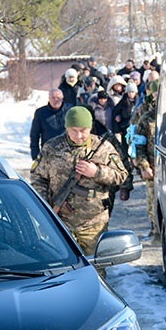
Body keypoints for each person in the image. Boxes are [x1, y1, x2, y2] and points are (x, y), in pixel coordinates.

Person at [31, 106, 128, 256]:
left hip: (94, 223)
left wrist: (96, 172)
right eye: (74, 130)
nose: (79, 135)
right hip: (60, 222)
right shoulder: (52, 148)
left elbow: (121, 175)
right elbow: (38, 178)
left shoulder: (102, 148)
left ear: (90, 127)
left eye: (83, 130)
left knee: (95, 268)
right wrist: (47, 206)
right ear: (66, 127)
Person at [130, 79, 159, 240]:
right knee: (153, 203)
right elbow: (138, 143)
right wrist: (143, 165)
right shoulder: (146, 117)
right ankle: (156, 233)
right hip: (153, 168)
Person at [29, 89, 69, 161]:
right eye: (53, 98)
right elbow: (34, 134)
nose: (55, 100)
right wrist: (35, 155)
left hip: (67, 152)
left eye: (58, 98)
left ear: (62, 98)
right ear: (49, 99)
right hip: (48, 153)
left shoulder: (70, 111)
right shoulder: (40, 113)